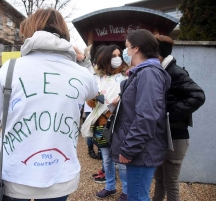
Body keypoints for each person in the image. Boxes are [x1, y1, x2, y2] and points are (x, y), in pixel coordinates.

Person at [0, 8, 98, 201]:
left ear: (30, 31)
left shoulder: (10, 68)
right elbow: (94, 90)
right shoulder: (82, 74)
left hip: (15, 176)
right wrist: (84, 62)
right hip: (61, 175)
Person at [110, 29, 171, 201]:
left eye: (127, 47)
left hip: (141, 151)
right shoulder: (143, 72)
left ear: (136, 49)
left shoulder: (148, 73)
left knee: (137, 197)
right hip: (141, 150)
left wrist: (129, 148)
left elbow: (146, 116)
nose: (125, 52)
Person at [152, 35, 205, 201]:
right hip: (163, 136)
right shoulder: (162, 71)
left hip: (176, 138)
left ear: (157, 53)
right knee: (159, 179)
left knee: (171, 182)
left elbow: (198, 95)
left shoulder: (175, 72)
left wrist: (170, 113)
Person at [81, 44, 129, 199]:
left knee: (121, 162)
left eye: (118, 55)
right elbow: (90, 103)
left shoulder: (127, 77)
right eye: (113, 56)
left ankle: (126, 191)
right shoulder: (98, 79)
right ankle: (110, 186)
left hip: (119, 125)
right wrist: (94, 98)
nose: (117, 59)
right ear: (107, 59)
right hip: (101, 125)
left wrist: (121, 99)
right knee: (106, 160)